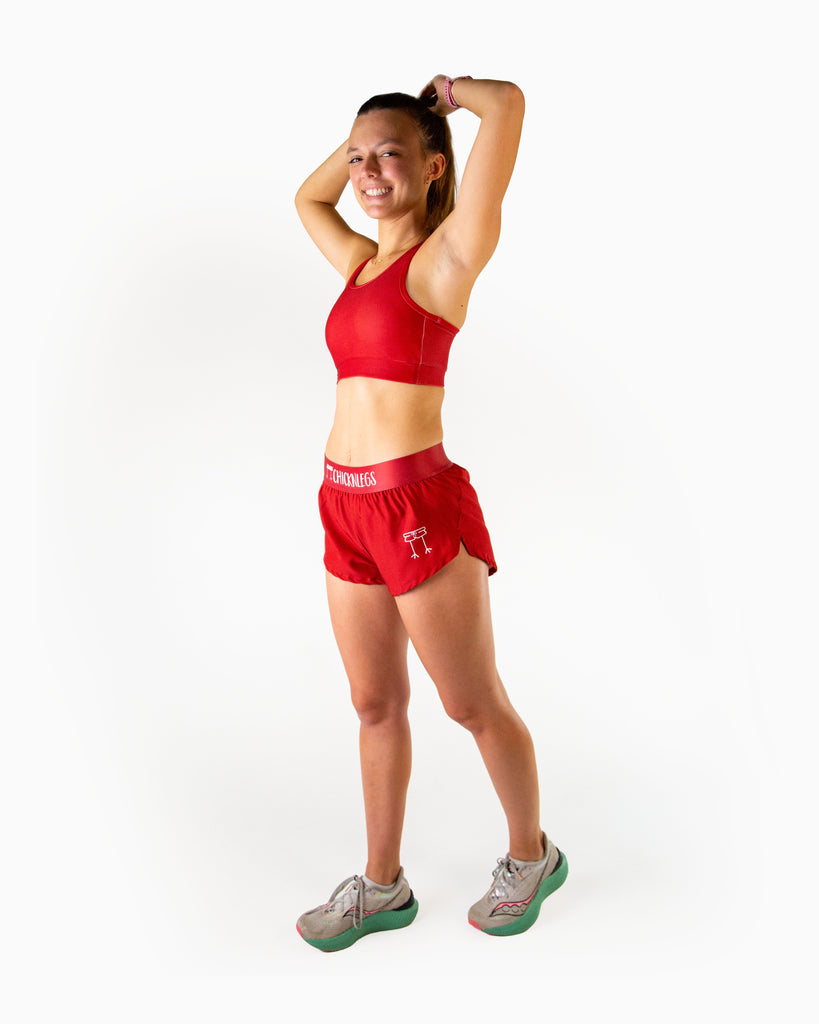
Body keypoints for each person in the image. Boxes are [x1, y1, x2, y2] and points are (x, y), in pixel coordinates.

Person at [293, 75, 567, 952]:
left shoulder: (446, 259)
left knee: (471, 703)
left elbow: (510, 106)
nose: (365, 172)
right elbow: (307, 196)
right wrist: (375, 136)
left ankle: (532, 856)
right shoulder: (359, 263)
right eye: (357, 156)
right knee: (374, 703)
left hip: (417, 505)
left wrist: (443, 95)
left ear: (435, 165)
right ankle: (382, 886)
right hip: (344, 503)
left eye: (390, 157)